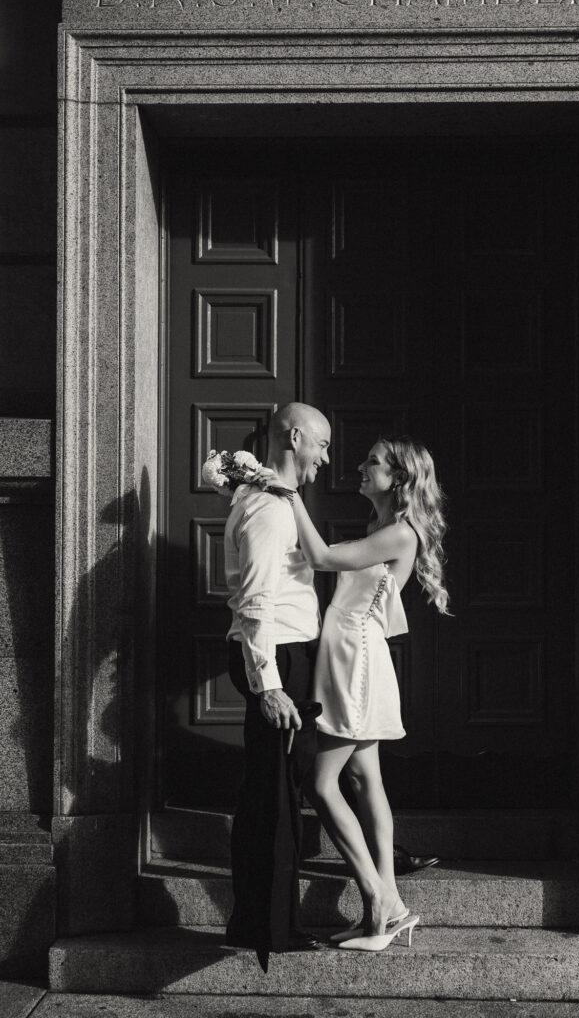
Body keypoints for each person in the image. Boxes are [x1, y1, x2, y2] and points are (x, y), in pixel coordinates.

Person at [289, 435, 450, 952]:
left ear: (398, 478)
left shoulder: (399, 535)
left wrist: (285, 491)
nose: (360, 465)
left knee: (321, 782)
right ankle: (386, 909)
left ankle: (381, 898)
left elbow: (317, 557)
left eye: (372, 461)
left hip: (354, 656)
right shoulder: (380, 528)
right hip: (351, 650)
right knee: (364, 778)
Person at [221, 402, 331, 971]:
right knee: (273, 798)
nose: (326, 457)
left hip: (286, 655)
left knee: (272, 789)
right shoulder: (267, 509)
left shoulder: (274, 501)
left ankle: (258, 921)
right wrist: (269, 686)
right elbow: (258, 600)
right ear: (295, 437)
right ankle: (271, 929)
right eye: (322, 444)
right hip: (276, 658)